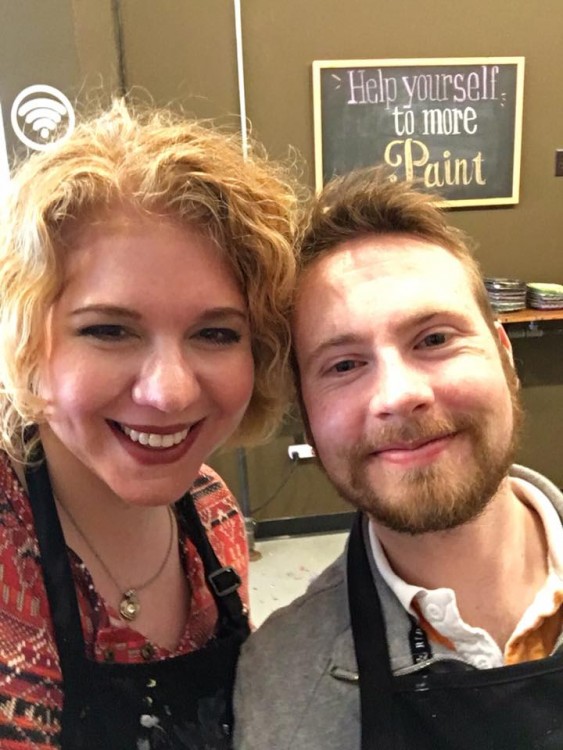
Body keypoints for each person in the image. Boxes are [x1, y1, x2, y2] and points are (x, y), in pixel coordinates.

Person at [0, 99, 297, 749]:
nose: (168, 391)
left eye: (215, 333)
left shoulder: (213, 518)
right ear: (25, 340)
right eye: (109, 330)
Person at [234, 167, 563, 750]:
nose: (397, 395)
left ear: (504, 353)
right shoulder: (282, 685)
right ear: (306, 413)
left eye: (434, 339)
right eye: (343, 364)